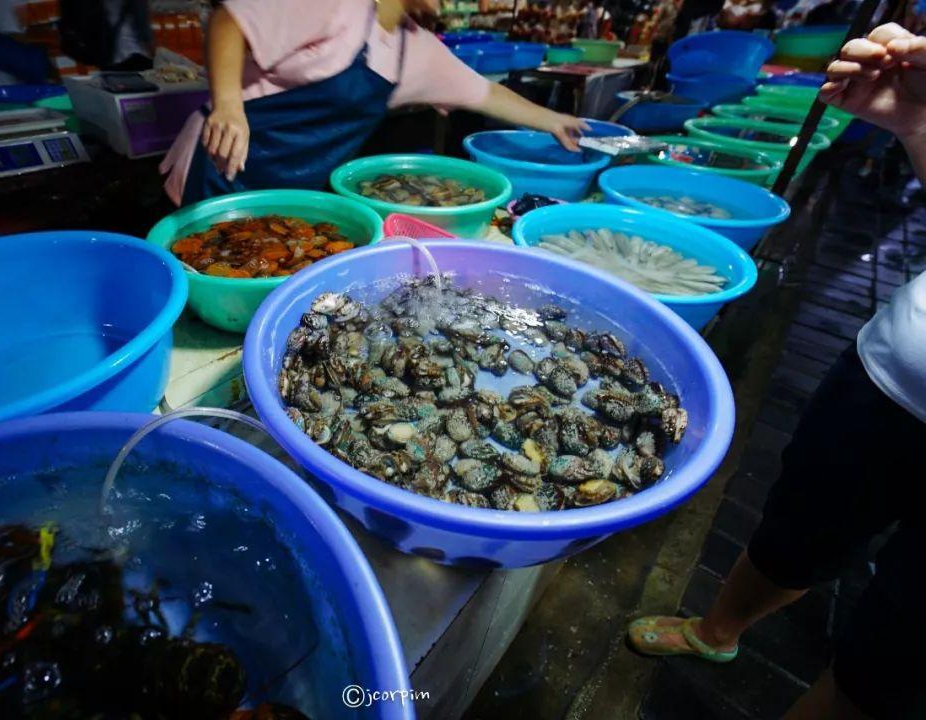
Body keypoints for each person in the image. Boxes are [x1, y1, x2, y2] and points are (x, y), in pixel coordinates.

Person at [626, 22, 926, 719]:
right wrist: (916, 125)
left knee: (893, 660)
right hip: (895, 374)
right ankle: (716, 632)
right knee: (801, 523)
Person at [159, 0, 589, 207]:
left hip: (299, 188)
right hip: (225, 166)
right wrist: (229, 104)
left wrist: (554, 121)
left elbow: (486, 92)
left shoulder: (414, 51)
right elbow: (229, 22)